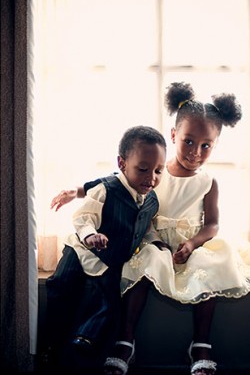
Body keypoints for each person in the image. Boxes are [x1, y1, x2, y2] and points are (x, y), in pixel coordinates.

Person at [50, 82, 250, 375]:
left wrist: (193, 243)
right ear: (173, 136)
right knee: (144, 263)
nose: (196, 152)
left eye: (206, 145)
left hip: (192, 242)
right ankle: (125, 340)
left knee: (212, 267)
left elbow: (213, 223)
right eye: (188, 141)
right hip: (153, 239)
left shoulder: (208, 182)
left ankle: (201, 344)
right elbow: (114, 182)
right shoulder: (156, 171)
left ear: (216, 145)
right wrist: (77, 191)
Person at [45, 125, 167, 369]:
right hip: (81, 252)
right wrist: (90, 235)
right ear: (122, 163)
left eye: (158, 171)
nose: (151, 177)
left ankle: (85, 341)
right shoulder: (106, 188)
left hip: (110, 259)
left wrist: (156, 242)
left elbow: (145, 228)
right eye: (143, 169)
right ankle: (51, 347)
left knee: (111, 299)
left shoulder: (151, 200)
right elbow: (84, 216)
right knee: (62, 288)